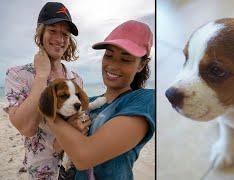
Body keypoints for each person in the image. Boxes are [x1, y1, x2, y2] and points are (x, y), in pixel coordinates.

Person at [46, 20, 155, 180]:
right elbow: (56, 148)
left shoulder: (145, 100)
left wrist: (48, 112)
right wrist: (70, 128)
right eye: (109, 55)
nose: (113, 65)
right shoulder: (88, 102)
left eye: (126, 59)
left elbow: (84, 156)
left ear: (141, 65)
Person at [4, 2, 89, 179]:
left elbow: (79, 125)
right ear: (40, 32)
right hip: (42, 172)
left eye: (65, 34)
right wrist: (41, 76)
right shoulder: (18, 75)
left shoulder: (76, 79)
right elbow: (27, 128)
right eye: (52, 30)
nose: (59, 39)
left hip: (76, 167)